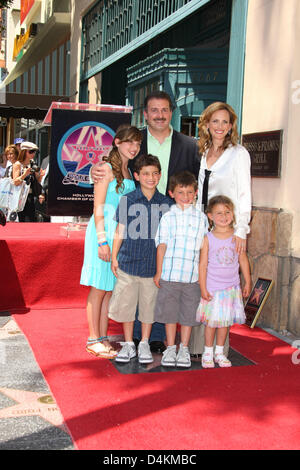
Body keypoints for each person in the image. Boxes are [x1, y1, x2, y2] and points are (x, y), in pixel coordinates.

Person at [91, 90, 200, 352]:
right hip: (137, 220)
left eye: (164, 110)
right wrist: (96, 168)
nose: (160, 115)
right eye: (154, 110)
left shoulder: (190, 145)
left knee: (164, 278)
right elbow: (115, 160)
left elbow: (199, 183)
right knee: (137, 276)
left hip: (173, 220)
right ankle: (137, 338)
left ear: (171, 113)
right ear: (145, 114)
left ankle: (160, 335)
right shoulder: (137, 140)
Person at [189, 101, 252, 357]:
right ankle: (198, 347)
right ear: (206, 124)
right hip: (205, 225)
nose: (220, 126)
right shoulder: (203, 153)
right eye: (215, 121)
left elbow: (245, 193)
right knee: (203, 281)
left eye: (225, 122)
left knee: (223, 285)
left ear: (231, 126)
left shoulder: (239, 153)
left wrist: (241, 230)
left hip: (228, 229)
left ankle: (220, 350)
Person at [80, 125, 141, 358]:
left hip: (119, 236)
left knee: (108, 289)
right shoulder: (105, 169)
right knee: (98, 288)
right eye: (129, 142)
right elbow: (98, 208)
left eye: (137, 144)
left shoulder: (128, 171)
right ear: (117, 142)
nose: (134, 148)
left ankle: (103, 337)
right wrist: (102, 242)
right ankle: (93, 339)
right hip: (102, 233)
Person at [108, 154, 171, 364]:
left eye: (154, 173)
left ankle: (144, 342)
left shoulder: (166, 204)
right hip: (128, 262)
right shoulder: (128, 200)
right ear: (137, 176)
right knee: (126, 307)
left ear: (160, 175)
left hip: (153, 267)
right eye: (145, 174)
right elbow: (120, 229)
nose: (150, 177)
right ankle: (128, 344)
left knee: (148, 307)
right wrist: (115, 257)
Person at [154, 171, 208, 368]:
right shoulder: (168, 218)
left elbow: (204, 250)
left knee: (188, 314)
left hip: (192, 277)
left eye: (189, 192)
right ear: (171, 193)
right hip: (170, 274)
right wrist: (159, 272)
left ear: (195, 193)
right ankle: (170, 347)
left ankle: (184, 348)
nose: (185, 197)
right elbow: (161, 245)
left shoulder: (202, 218)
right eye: (180, 192)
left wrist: (202, 278)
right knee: (169, 313)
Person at [197, 195, 251, 368]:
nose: (224, 216)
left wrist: (247, 282)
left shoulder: (237, 237)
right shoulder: (207, 238)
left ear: (233, 214)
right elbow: (203, 264)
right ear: (210, 216)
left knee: (224, 323)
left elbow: (243, 260)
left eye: (227, 212)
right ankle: (208, 352)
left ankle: (219, 352)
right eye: (218, 213)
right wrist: (203, 287)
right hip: (213, 288)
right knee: (212, 323)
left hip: (231, 287)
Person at [12, 141, 42, 222]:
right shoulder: (18, 164)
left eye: (35, 151)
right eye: (31, 151)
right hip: (20, 198)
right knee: (22, 221)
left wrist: (40, 175)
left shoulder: (33, 164)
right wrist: (25, 174)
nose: (33, 154)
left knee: (31, 221)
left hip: (30, 197)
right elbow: (15, 182)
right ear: (24, 152)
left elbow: (37, 181)